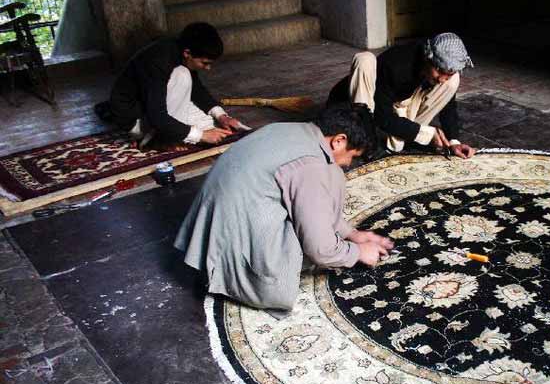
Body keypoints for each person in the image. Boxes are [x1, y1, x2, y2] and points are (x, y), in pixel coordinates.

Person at [174, 104, 394, 312]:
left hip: (207, 241)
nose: (349, 164)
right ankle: (244, 279)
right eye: (352, 156)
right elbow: (321, 250)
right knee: (330, 178)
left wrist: (352, 234)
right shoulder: (311, 166)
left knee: (330, 174)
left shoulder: (290, 129)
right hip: (231, 253)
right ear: (339, 140)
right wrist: (357, 252)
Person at [327, 32, 476, 159]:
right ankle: (368, 140)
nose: (442, 79)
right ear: (428, 58)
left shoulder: (439, 75)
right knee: (365, 59)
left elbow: (448, 105)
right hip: (362, 108)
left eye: (447, 74)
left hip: (398, 104)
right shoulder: (396, 64)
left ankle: (406, 136)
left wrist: (454, 142)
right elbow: (382, 115)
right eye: (440, 72)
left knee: (453, 81)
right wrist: (425, 134)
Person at [96, 22, 239, 147]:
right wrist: (201, 136)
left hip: (152, 104)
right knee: (183, 77)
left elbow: (196, 89)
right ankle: (154, 139)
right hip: (135, 117)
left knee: (211, 125)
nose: (208, 69)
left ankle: (169, 132)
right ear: (187, 53)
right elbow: (157, 115)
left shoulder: (180, 52)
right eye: (205, 63)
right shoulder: (159, 62)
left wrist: (221, 116)